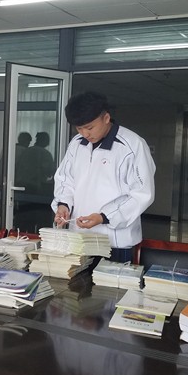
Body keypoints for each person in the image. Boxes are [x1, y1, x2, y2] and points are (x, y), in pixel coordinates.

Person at [52, 92, 156, 262]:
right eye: (79, 128)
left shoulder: (132, 145)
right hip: (79, 238)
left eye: (89, 128)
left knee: (110, 280)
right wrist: (64, 205)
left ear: (106, 118)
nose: (85, 134)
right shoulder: (76, 144)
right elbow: (65, 179)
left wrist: (104, 217)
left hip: (115, 242)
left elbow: (142, 193)